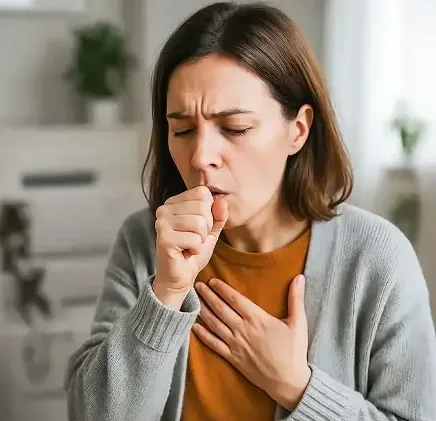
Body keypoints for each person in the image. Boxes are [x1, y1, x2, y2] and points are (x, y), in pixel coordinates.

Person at [64, 2, 436, 421]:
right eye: (182, 130)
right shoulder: (143, 240)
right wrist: (164, 296)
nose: (201, 156)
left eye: (235, 128)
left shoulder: (378, 258)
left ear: (298, 130)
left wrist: (296, 387)